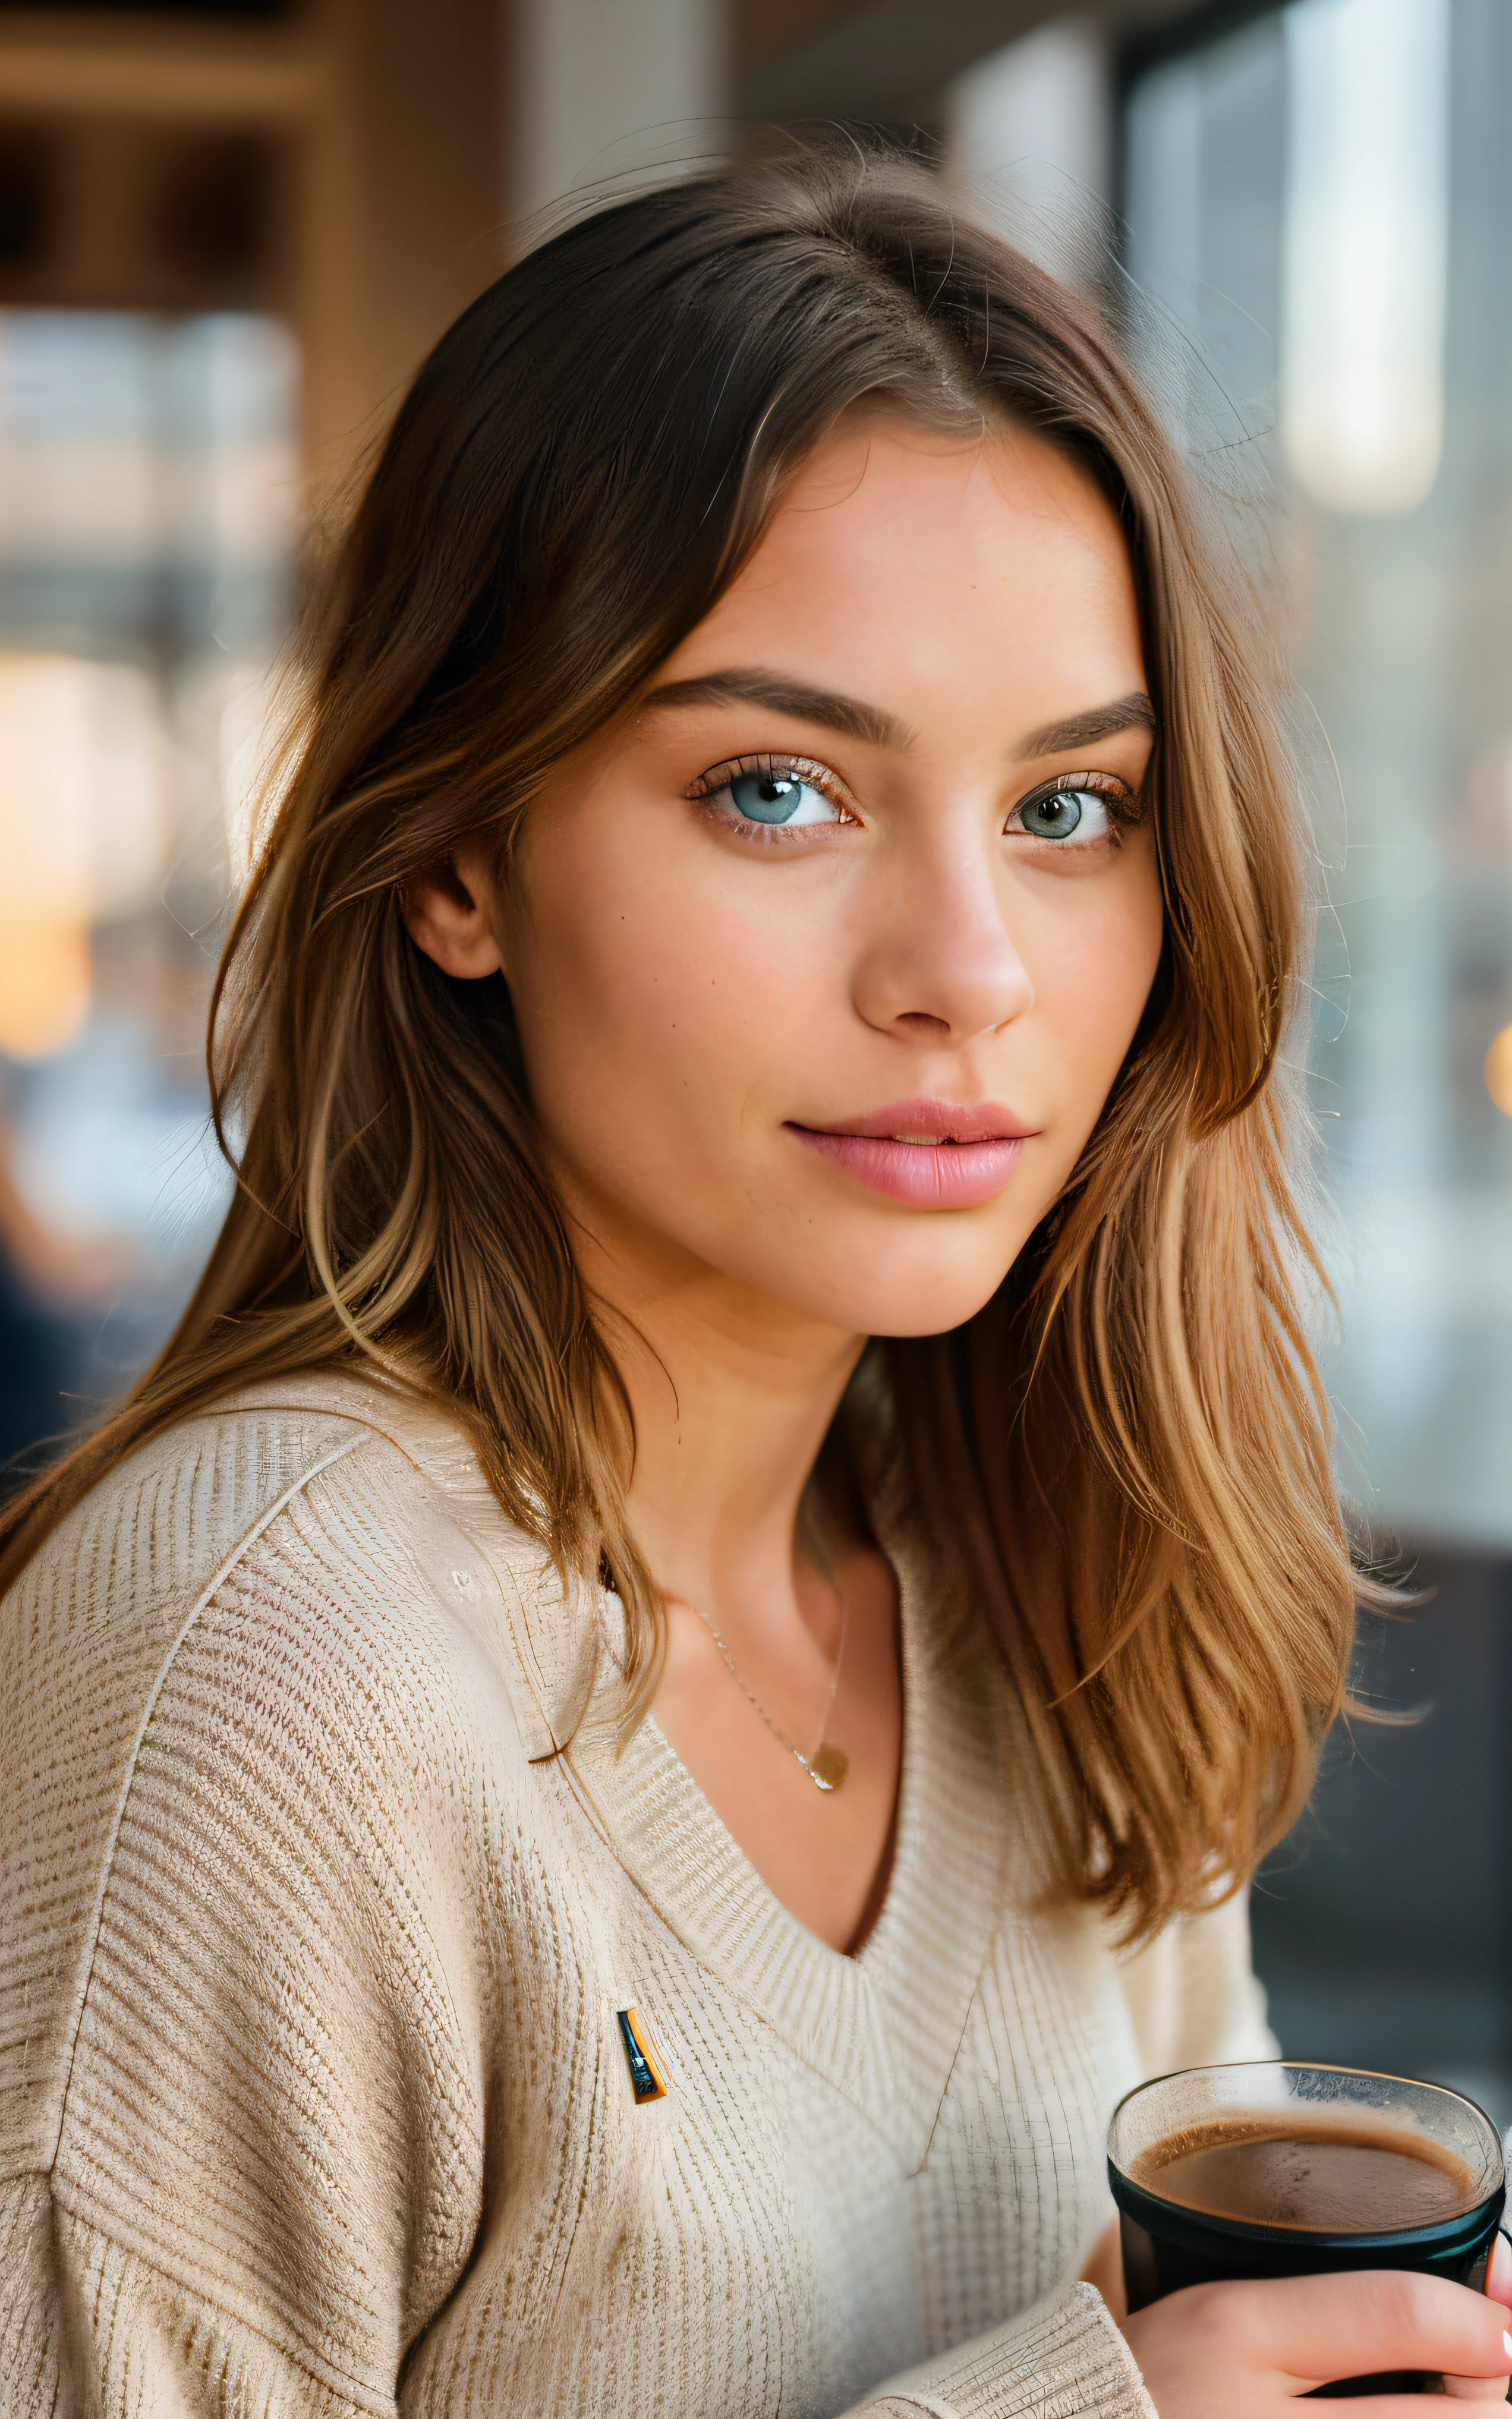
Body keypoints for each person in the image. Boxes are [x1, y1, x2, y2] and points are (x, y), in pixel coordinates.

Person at [1, 137, 1507, 2419]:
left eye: (1069, 808)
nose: (968, 973)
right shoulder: (266, 1675)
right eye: (780, 790)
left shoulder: (1039, 1569)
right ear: (451, 856)